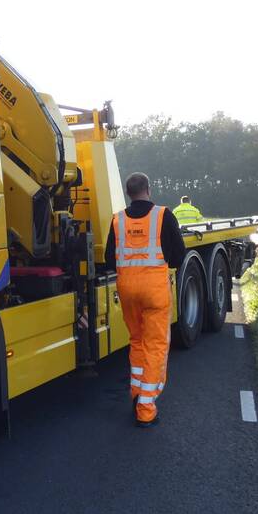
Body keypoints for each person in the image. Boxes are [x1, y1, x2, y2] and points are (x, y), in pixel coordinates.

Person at [107, 172, 186, 428]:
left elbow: (109, 259)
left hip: (127, 290)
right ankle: (145, 409)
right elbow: (178, 256)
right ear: (148, 189)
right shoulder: (164, 215)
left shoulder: (117, 220)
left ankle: (136, 394)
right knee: (155, 345)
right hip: (154, 291)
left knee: (137, 341)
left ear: (128, 193)